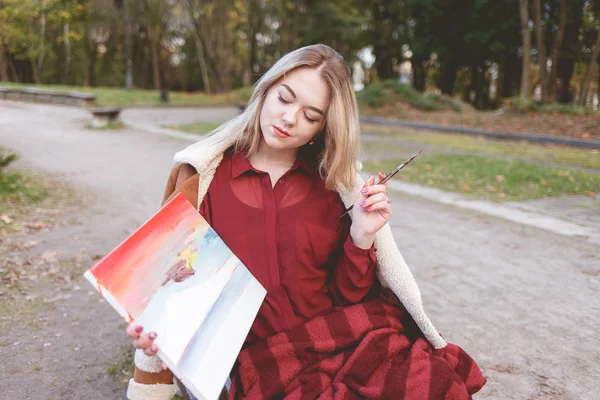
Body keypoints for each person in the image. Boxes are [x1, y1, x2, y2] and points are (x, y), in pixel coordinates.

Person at [125, 44, 485, 399]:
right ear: (266, 90)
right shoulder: (204, 181)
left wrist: (361, 234)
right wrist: (159, 331)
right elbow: (174, 282)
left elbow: (349, 296)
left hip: (342, 337)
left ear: (323, 128)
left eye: (311, 116)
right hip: (259, 360)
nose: (289, 119)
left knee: (429, 385)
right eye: (284, 98)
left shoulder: (333, 187)